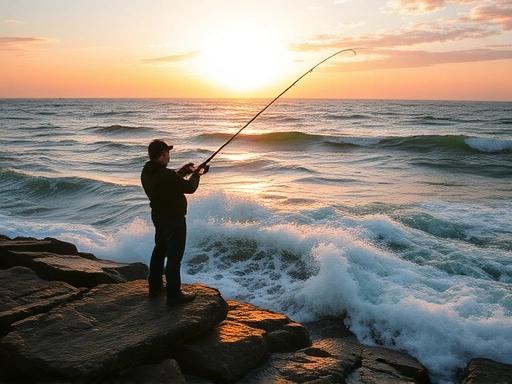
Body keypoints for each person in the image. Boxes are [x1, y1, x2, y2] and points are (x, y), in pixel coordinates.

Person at [141, 139, 208, 306]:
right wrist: (197, 175)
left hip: (159, 216)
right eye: (168, 153)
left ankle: (155, 287)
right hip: (174, 219)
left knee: (159, 250)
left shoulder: (147, 171)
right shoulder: (165, 174)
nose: (169, 156)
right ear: (163, 154)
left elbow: (170, 182)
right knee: (174, 256)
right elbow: (189, 188)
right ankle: (174, 294)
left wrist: (184, 171)